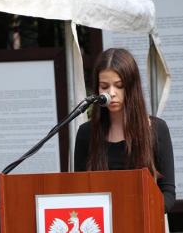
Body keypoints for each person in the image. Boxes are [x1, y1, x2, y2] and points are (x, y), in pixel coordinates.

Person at [73, 47, 175, 213]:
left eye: (119, 86)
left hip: (143, 221)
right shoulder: (86, 133)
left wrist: (143, 211)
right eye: (104, 86)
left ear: (132, 87)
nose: (111, 93)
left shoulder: (157, 129)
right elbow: (79, 191)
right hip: (100, 224)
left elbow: (168, 193)